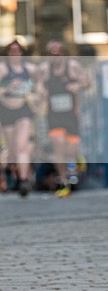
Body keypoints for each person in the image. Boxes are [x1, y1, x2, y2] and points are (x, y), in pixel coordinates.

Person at [39, 40, 90, 198]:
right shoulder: (45, 69)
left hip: (71, 115)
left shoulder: (72, 67)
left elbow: (87, 82)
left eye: (58, 52)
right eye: (52, 53)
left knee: (71, 149)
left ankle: (76, 162)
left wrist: (77, 86)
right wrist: (41, 92)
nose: (55, 56)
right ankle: (64, 182)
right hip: (54, 116)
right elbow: (38, 86)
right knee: (58, 146)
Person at [0, 40, 42, 197]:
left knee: (22, 145)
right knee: (11, 149)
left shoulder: (30, 69)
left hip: (24, 108)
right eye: (11, 50)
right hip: (6, 109)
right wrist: (7, 88)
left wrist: (35, 95)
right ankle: (13, 173)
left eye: (18, 49)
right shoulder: (3, 69)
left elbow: (40, 88)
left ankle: (23, 181)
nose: (15, 52)